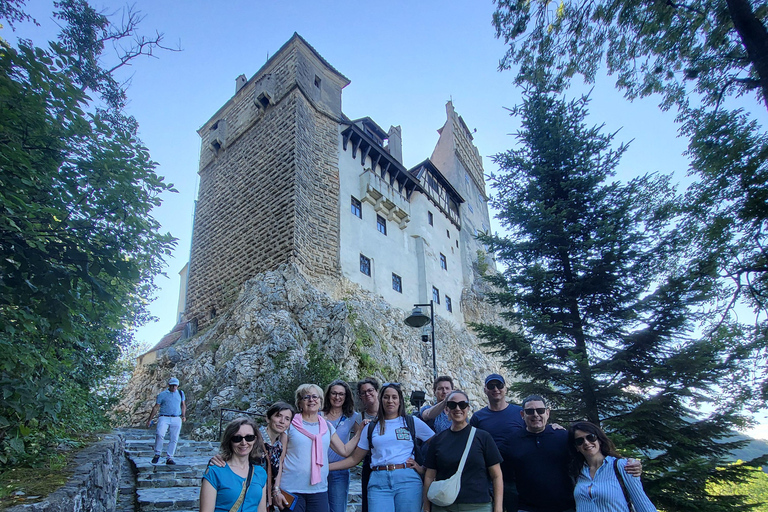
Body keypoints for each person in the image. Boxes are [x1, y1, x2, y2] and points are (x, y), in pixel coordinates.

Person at [505, 396, 642, 512]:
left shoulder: (564, 437)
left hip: (567, 507)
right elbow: (503, 476)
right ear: (523, 415)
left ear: (547, 413)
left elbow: (592, 455)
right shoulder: (511, 442)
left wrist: (627, 462)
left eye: (540, 410)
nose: (535, 414)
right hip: (528, 508)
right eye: (530, 411)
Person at [330, 382, 435, 512]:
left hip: (407, 480)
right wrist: (325, 468)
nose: (390, 401)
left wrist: (424, 468)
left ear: (400, 400)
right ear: (381, 399)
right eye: (386, 397)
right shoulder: (371, 427)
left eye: (394, 397)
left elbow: (437, 444)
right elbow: (354, 459)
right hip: (379, 481)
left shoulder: (411, 422)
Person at [275, 383, 357, 512]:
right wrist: (276, 489)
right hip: (291, 489)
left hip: (319, 490)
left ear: (320, 401)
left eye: (315, 397)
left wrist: (360, 432)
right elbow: (280, 459)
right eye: (306, 397)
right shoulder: (290, 425)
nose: (311, 400)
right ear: (299, 403)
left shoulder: (327, 427)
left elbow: (345, 451)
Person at [423, 390, 503, 512]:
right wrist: (427, 507)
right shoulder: (438, 440)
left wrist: (498, 508)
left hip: (477, 506)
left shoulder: (483, 437)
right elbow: (429, 476)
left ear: (468, 408)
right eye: (452, 405)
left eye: (462, 404)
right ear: (447, 409)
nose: (458, 408)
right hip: (444, 506)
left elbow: (496, 475)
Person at [568, 422, 656, 512]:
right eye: (580, 441)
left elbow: (642, 503)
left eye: (591, 437)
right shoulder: (577, 472)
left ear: (599, 440)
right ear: (576, 447)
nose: (586, 443)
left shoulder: (622, 466)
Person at [468, 374, 524, 511]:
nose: (495, 389)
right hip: (488, 478)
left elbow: (535, 429)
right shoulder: (478, 417)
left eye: (499, 385)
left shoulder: (520, 413)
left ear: (505, 388)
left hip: (516, 477)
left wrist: (554, 427)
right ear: (485, 390)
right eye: (491, 386)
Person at [201, 417, 268, 512]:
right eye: (237, 438)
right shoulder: (215, 472)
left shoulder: (260, 473)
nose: (244, 443)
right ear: (230, 440)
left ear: (255, 440)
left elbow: (262, 510)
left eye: (249, 437)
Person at [321, 380, 362, 512]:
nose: (337, 397)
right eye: (334, 393)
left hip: (339, 470)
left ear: (346, 397)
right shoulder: (319, 415)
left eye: (341, 394)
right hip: (318, 469)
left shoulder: (353, 417)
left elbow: (358, 441)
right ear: (328, 395)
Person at [261, 401, 294, 509]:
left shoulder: (280, 442)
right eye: (278, 416)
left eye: (287, 419)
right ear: (268, 418)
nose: (282, 421)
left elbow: (279, 462)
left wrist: (276, 489)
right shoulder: (255, 438)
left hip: (267, 496)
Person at [146, 377, 187, 465]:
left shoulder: (180, 393)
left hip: (176, 417)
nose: (174, 387)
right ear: (169, 385)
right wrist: (150, 419)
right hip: (164, 417)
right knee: (160, 434)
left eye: (175, 385)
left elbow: (183, 405)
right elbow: (156, 406)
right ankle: (157, 453)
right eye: (172, 385)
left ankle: (170, 457)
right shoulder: (162, 394)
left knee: (174, 438)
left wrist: (183, 416)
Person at [355, 377, 380, 512]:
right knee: (368, 499)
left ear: (377, 391)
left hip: (388, 459)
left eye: (370, 390)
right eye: (363, 392)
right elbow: (357, 442)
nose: (367, 394)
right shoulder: (360, 417)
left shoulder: (388, 412)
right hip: (369, 460)